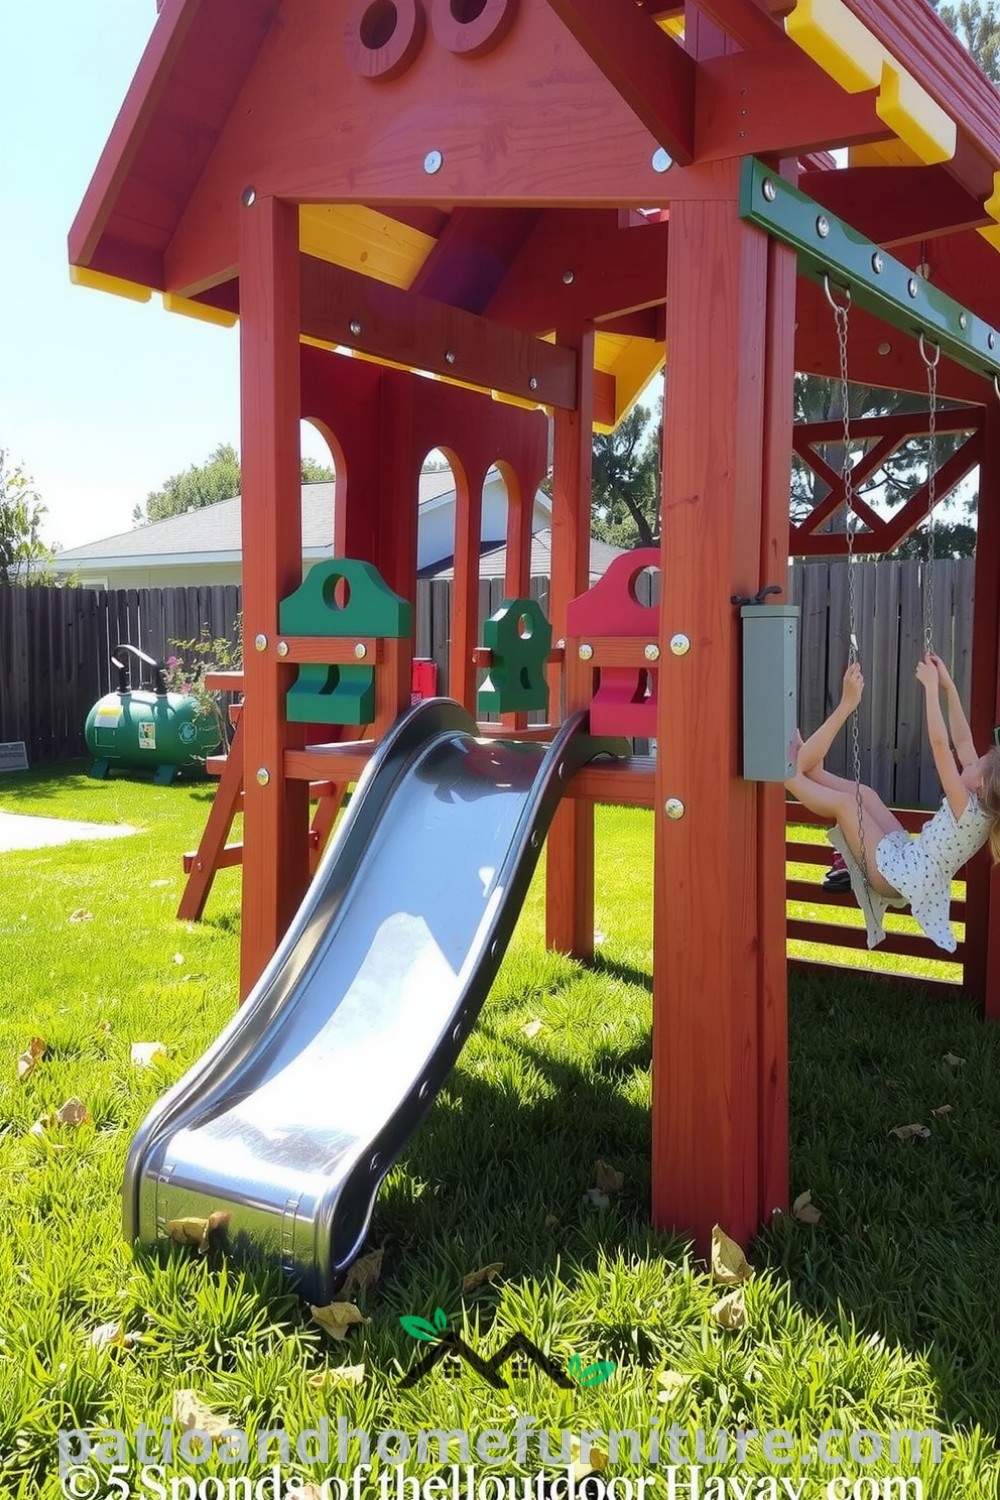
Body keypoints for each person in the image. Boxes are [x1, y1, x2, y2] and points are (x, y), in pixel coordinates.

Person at [785, 654, 1000, 952]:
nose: (971, 762)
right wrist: (948, 687)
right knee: (867, 795)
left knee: (847, 805)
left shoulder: (966, 807)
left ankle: (788, 777)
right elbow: (962, 742)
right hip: (907, 856)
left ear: (981, 786)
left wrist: (928, 689)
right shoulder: (985, 803)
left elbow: (941, 746)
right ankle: (814, 773)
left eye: (977, 766)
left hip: (894, 876)